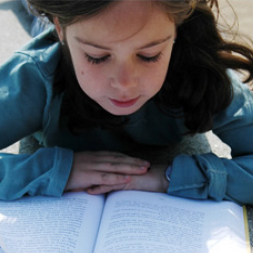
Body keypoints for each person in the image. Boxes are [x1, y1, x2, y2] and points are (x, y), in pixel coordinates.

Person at [0, 0, 253, 205]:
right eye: (97, 57)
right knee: (35, 17)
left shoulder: (201, 72)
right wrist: (53, 170)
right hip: (59, 29)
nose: (125, 84)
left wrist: (170, 177)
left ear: (177, 30)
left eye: (149, 55)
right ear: (61, 30)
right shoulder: (35, 75)